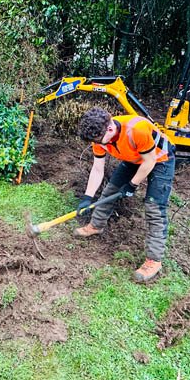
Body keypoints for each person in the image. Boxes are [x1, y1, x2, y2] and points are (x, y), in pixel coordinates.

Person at [74, 107, 176, 284]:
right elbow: (98, 168)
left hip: (160, 159)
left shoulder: (136, 130)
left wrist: (132, 185)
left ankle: (154, 260)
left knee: (154, 207)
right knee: (110, 190)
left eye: (100, 142)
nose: (99, 145)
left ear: (110, 129)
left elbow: (150, 161)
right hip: (134, 158)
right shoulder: (98, 136)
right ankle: (96, 225)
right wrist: (87, 197)